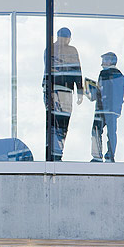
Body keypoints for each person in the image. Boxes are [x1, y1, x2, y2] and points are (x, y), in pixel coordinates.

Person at [43, 27, 83, 161]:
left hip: (60, 89)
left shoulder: (53, 49)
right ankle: (55, 154)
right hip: (60, 89)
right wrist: (80, 90)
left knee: (57, 123)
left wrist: (80, 90)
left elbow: (77, 70)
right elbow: (77, 70)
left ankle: (56, 154)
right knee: (58, 123)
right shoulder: (59, 50)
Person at [89, 52, 124, 162]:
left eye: (104, 60)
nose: (102, 63)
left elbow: (101, 91)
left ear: (110, 61)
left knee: (97, 130)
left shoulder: (104, 74)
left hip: (103, 107)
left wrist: (91, 90)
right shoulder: (120, 76)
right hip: (112, 109)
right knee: (111, 132)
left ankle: (97, 155)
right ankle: (110, 155)